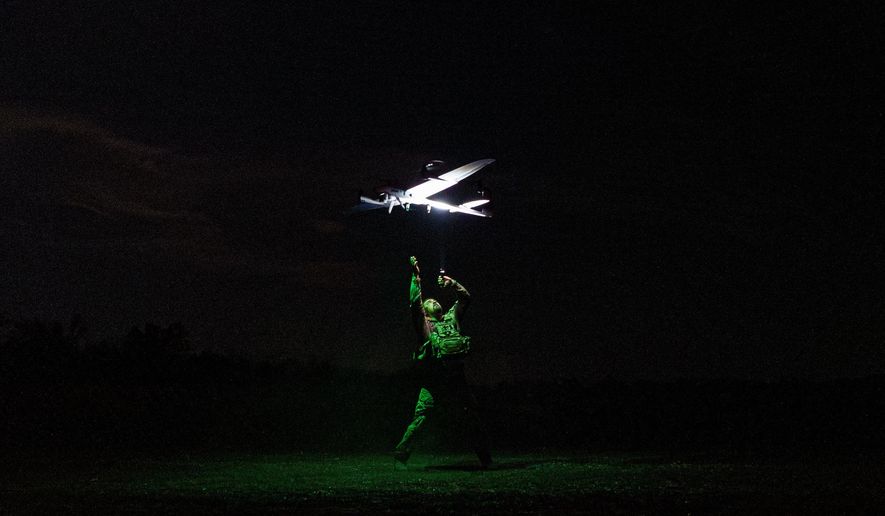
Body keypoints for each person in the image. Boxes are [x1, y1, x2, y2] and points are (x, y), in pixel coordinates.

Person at [393, 256, 492, 469]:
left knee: (471, 417)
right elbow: (414, 303)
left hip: (456, 381)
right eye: (429, 302)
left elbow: (466, 299)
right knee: (421, 419)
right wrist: (416, 278)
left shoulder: (451, 319)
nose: (432, 301)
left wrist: (453, 284)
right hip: (434, 382)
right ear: (427, 312)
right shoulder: (425, 327)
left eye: (434, 300)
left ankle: (485, 459)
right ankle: (401, 454)